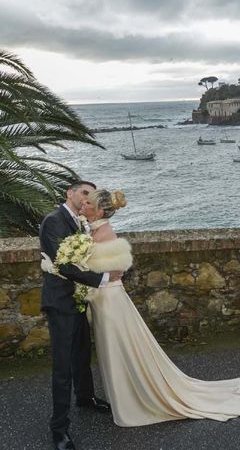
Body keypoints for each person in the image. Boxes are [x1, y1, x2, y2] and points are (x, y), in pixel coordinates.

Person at [78, 189, 240, 427]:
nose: (82, 204)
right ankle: (124, 397)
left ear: (98, 210)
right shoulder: (95, 230)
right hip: (102, 299)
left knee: (118, 349)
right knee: (114, 350)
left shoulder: (105, 233)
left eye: (87, 203)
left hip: (109, 301)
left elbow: (115, 271)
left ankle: (132, 401)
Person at [39, 181, 122, 450]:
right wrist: (103, 279)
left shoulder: (79, 223)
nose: (88, 198)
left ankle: (85, 398)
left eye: (90, 195)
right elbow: (63, 265)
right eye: (84, 192)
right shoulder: (54, 220)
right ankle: (59, 430)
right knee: (63, 367)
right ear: (70, 194)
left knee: (82, 353)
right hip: (60, 303)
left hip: (77, 300)